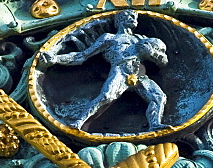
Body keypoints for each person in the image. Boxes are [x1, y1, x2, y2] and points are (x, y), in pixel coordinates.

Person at [39, 9, 169, 130]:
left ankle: (155, 124)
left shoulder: (142, 38)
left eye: (134, 17)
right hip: (120, 71)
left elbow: (163, 61)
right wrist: (55, 59)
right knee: (106, 96)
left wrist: (152, 53)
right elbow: (82, 56)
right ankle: (79, 121)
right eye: (128, 16)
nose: (133, 19)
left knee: (159, 97)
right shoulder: (109, 38)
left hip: (138, 75)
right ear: (119, 21)